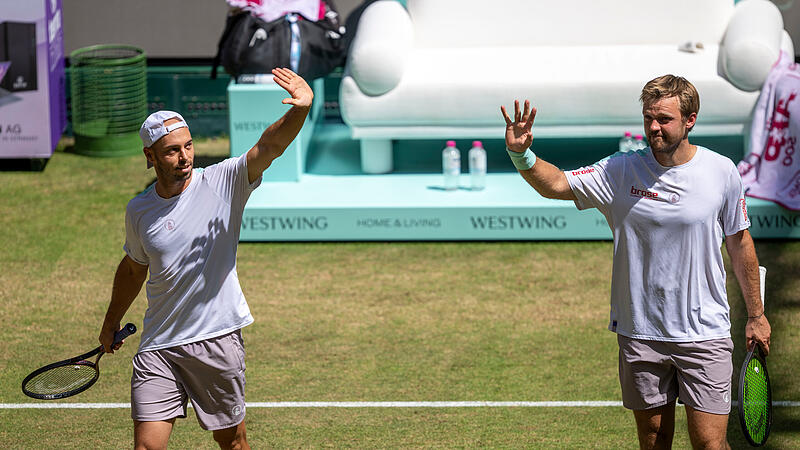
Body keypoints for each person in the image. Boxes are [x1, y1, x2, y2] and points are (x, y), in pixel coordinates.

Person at [501, 75, 771, 449]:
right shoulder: (620, 170)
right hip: (641, 333)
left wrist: (756, 315)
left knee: (710, 444)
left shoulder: (722, 171)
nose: (654, 127)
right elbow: (558, 184)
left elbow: (740, 244)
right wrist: (521, 154)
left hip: (704, 333)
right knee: (653, 440)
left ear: (690, 120)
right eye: (648, 118)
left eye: (664, 119)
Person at [98, 67, 313, 450]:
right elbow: (133, 268)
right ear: (150, 156)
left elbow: (269, 147)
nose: (184, 157)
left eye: (188, 146)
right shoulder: (139, 210)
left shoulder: (223, 181)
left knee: (232, 443)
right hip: (159, 344)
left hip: (215, 340)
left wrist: (301, 109)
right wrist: (111, 319)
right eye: (172, 150)